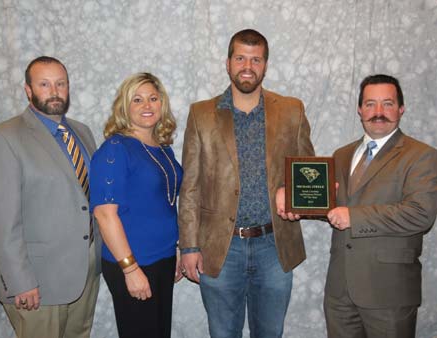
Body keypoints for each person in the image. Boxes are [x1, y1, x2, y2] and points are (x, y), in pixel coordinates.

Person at [178, 29, 314, 338]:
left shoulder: (292, 110)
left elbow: (307, 169)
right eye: (240, 58)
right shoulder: (201, 115)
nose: (247, 66)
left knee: (270, 332)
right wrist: (188, 245)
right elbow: (190, 187)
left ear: (265, 65)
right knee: (223, 333)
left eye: (256, 59)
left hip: (274, 245)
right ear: (228, 63)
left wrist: (293, 194)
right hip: (220, 248)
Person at [0, 56, 100, 338]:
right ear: (28, 90)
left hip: (85, 272)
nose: (54, 91)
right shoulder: (5, 137)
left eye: (60, 83)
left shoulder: (82, 132)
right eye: (44, 84)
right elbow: (1, 221)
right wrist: (19, 281)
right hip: (38, 280)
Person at [323, 74, 437, 337]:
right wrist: (300, 205)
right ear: (359, 109)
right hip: (340, 290)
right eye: (370, 104)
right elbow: (335, 209)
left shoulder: (421, 156)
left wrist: (354, 217)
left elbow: (421, 214)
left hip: (389, 292)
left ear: (401, 109)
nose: (378, 112)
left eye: (387, 104)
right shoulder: (341, 155)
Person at [90, 72, 183, 338]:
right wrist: (130, 269)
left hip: (163, 258)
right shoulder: (115, 149)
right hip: (132, 261)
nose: (147, 106)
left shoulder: (164, 148)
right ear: (124, 107)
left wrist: (174, 250)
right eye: (138, 100)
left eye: (153, 98)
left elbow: (164, 204)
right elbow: (105, 215)